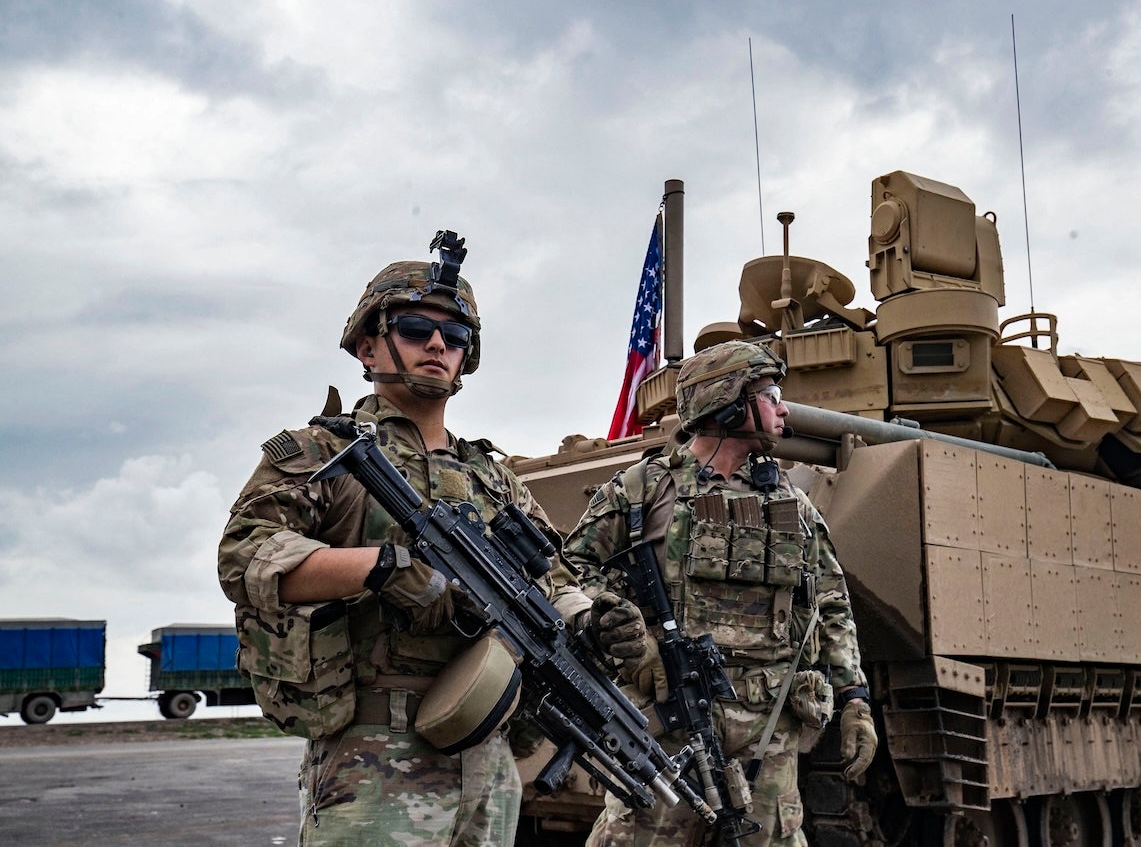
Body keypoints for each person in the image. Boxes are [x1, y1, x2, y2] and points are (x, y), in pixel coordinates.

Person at [217, 234, 640, 846]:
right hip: (373, 750)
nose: (439, 345)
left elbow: (552, 580)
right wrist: (382, 566)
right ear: (368, 345)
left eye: (457, 337)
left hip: (487, 752)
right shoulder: (319, 453)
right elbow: (244, 555)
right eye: (417, 328)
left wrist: (588, 619)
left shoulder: (491, 477)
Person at [564, 339, 877, 847]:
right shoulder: (643, 489)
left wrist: (855, 698)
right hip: (667, 725)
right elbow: (571, 569)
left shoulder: (790, 503)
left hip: (768, 730)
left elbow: (830, 602)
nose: (784, 408)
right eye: (771, 394)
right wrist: (622, 631)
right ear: (727, 403)